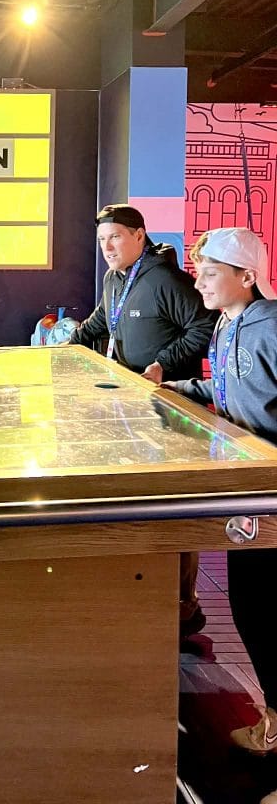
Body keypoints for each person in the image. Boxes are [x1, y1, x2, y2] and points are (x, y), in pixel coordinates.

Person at [164, 228, 277, 804]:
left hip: (271, 496)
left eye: (210, 273)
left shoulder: (272, 326)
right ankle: (272, 722)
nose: (200, 282)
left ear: (247, 277)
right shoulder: (229, 324)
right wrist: (178, 389)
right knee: (253, 611)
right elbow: (230, 386)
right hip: (250, 494)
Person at [69, 203, 217, 639]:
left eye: (115, 237)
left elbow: (203, 325)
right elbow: (103, 319)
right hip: (128, 409)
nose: (108, 247)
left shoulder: (164, 279)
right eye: (102, 240)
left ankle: (185, 605)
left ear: (139, 235)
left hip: (169, 407)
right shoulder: (115, 278)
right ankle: (143, 594)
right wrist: (69, 345)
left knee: (174, 504)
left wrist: (162, 363)